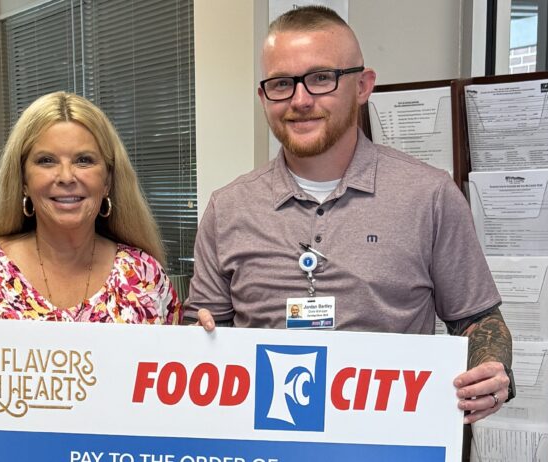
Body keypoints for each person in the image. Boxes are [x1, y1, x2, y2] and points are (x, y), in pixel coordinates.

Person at [185, 6, 513, 424]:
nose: (300, 100)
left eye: (321, 78)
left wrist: (491, 370)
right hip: (266, 442)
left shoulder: (429, 196)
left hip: (390, 442)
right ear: (264, 96)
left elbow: (478, 318)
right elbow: (202, 327)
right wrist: (197, 337)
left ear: (362, 86)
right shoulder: (227, 208)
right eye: (282, 84)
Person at [0, 91, 182, 325]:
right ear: (23, 180)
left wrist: (208, 340)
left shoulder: (144, 277)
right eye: (46, 161)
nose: (66, 177)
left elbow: (171, 364)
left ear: (108, 181)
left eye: (84, 160)